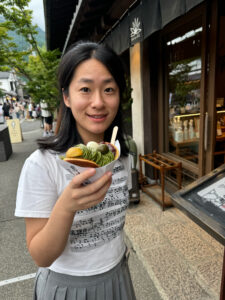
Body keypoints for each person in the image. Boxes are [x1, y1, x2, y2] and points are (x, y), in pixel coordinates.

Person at [15, 41, 136, 300]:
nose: (98, 102)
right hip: (67, 287)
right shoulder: (42, 164)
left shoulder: (121, 157)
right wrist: (66, 207)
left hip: (118, 278)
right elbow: (41, 255)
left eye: (109, 89)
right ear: (67, 97)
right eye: (85, 89)